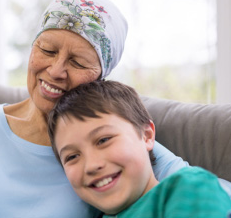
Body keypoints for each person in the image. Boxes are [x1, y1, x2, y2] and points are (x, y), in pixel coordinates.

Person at [0, 0, 230, 217]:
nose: (56, 70)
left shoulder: (118, 148)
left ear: (101, 76)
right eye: (46, 49)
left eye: (77, 60)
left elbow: (212, 191)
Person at [48, 80, 231, 217]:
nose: (91, 165)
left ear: (147, 136)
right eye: (72, 157)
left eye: (103, 140)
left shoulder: (187, 187)